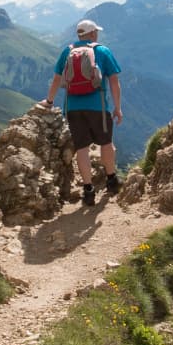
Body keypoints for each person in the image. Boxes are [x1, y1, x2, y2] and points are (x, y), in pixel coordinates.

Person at [39, 18, 123, 207]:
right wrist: (117, 108)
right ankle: (111, 180)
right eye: (96, 32)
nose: (97, 34)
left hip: (73, 108)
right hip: (98, 107)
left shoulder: (67, 51)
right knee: (106, 143)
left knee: (82, 148)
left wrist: (49, 101)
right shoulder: (102, 50)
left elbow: (56, 80)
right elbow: (114, 81)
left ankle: (88, 190)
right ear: (92, 33)